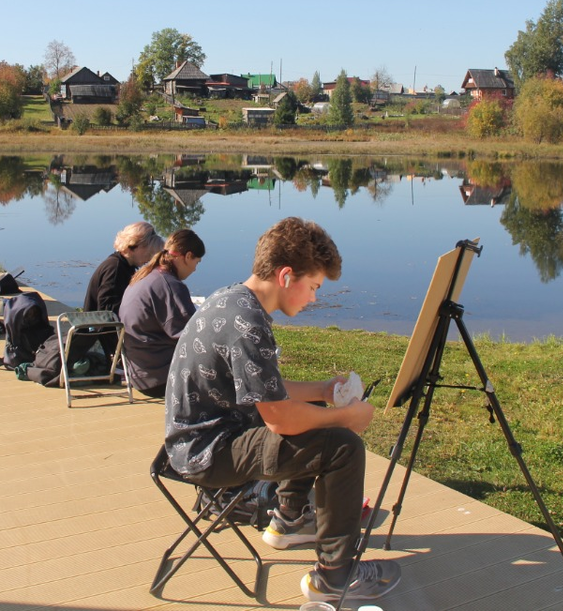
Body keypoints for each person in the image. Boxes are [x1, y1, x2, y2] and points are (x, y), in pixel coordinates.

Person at [164, 217, 401, 605]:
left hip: (201, 437)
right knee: (341, 447)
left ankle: (291, 517)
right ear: (287, 276)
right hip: (207, 453)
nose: (313, 299)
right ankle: (336, 577)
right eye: (313, 287)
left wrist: (324, 392)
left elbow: (265, 391)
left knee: (312, 418)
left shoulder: (233, 299)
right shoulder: (248, 322)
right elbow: (279, 418)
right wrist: (345, 417)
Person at [118, 229, 205, 398]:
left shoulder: (145, 275)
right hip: (160, 378)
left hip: (139, 374)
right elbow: (193, 336)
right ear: (187, 257)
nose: (195, 269)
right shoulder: (170, 285)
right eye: (197, 262)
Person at [82, 221, 163, 360]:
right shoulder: (115, 268)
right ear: (133, 247)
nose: (150, 259)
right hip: (103, 338)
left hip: (108, 333)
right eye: (149, 253)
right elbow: (107, 311)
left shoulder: (123, 265)